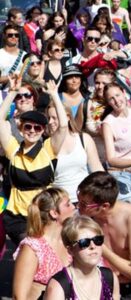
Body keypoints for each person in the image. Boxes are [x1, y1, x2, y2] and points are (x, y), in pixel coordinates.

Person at [0, 76, 69, 245]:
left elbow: (63, 126)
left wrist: (54, 95)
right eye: (28, 127)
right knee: (30, 248)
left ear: (42, 130)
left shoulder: (48, 149)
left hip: (44, 214)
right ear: (21, 129)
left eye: (37, 127)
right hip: (18, 217)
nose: (32, 131)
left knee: (45, 254)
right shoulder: (13, 149)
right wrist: (12, 93)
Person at [76, 171, 131, 299]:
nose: (78, 206)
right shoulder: (87, 219)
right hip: (100, 286)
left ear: (105, 206)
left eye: (84, 204)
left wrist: (103, 249)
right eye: (78, 199)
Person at [13, 188, 77, 300]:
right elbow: (19, 296)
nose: (73, 207)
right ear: (54, 213)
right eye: (68, 204)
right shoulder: (33, 247)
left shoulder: (71, 240)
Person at [47, 83, 105, 201]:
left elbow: (97, 169)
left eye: (54, 118)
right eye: (48, 118)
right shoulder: (48, 144)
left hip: (85, 200)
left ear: (67, 117)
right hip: (60, 203)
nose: (50, 122)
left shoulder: (84, 139)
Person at [44, 216, 120, 300]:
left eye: (97, 240)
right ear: (70, 250)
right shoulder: (59, 286)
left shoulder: (110, 277)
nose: (92, 246)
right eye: (84, 242)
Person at [0, 25, 25, 94]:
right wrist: (11, 77)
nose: (14, 37)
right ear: (4, 36)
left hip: (20, 95)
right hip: (2, 94)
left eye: (16, 35)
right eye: (10, 35)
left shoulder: (25, 56)